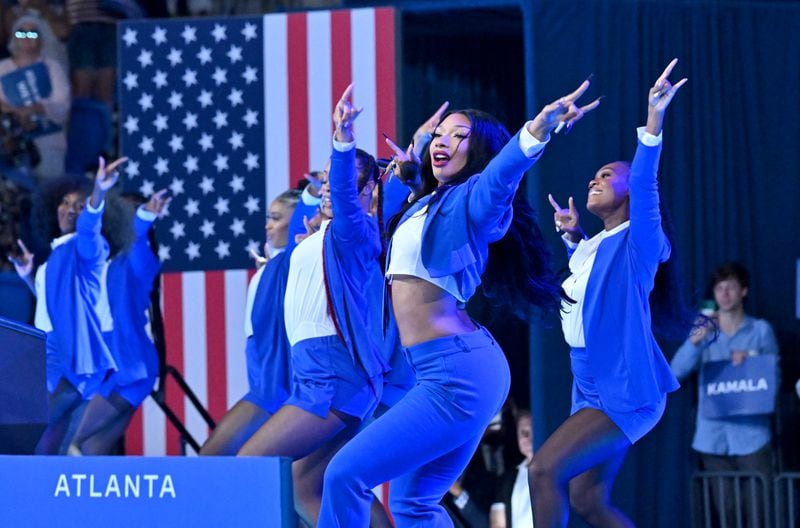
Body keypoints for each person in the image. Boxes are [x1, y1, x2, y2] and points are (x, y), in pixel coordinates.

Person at [318, 78, 600, 527]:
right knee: (413, 504)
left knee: (343, 477)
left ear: (479, 151)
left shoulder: (475, 203)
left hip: (457, 374)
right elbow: (355, 214)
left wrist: (535, 132)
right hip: (454, 368)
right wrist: (348, 142)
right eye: (440, 134)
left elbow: (498, 180)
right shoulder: (423, 204)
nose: (443, 142)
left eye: (459, 136)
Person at [529, 59, 688, 527]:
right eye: (592, 175)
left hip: (626, 387)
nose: (593, 179)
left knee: (543, 471)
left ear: (630, 192)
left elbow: (644, 181)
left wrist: (653, 119)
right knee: (587, 500)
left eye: (605, 174)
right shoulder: (596, 245)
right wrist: (572, 237)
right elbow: (592, 284)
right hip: (589, 383)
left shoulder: (643, 240)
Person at [238, 85, 390, 527]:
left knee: (250, 467)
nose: (329, 186)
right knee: (308, 488)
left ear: (365, 190)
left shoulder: (357, 230)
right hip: (321, 374)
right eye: (325, 178)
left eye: (338, 179)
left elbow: (344, 201)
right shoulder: (322, 236)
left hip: (333, 374)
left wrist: (342, 138)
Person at [9, 156, 128, 454]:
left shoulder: (89, 247)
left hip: (75, 352)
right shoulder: (57, 255)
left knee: (40, 428)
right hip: (53, 348)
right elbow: (55, 308)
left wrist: (98, 192)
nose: (71, 210)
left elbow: (90, 228)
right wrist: (28, 278)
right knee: (54, 437)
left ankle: (31, 490)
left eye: (79, 204)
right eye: (65, 202)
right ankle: (48, 493)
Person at [670, 261, 779, 526]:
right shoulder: (704, 331)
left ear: (743, 291)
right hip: (712, 439)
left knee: (759, 513)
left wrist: (751, 358)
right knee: (726, 514)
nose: (725, 294)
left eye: (731, 287)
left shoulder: (760, 330)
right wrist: (695, 340)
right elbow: (675, 373)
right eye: (719, 288)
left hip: (752, 436)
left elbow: (773, 377)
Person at [67, 189, 169, 455]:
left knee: (68, 439)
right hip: (113, 368)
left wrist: (144, 216)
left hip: (127, 367)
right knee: (90, 452)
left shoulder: (139, 260)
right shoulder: (100, 258)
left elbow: (135, 237)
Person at [199, 189, 301, 456]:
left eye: (277, 218)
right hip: (263, 383)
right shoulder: (273, 266)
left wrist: (312, 195)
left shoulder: (291, 261)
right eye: (268, 217)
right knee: (289, 479)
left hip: (272, 390)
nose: (268, 225)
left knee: (212, 456)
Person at [0, 14, 70, 181]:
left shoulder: (52, 67)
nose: (26, 38)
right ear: (13, 38)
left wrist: (36, 108)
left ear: (41, 38)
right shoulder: (2, 67)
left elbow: (62, 107)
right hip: (9, 141)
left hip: (47, 140)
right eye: (21, 33)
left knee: (49, 179)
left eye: (32, 33)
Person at [491, 410, 534, 528]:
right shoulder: (508, 478)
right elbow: (498, 523)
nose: (528, 439)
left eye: (532, 432)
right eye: (523, 433)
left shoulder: (559, 469)